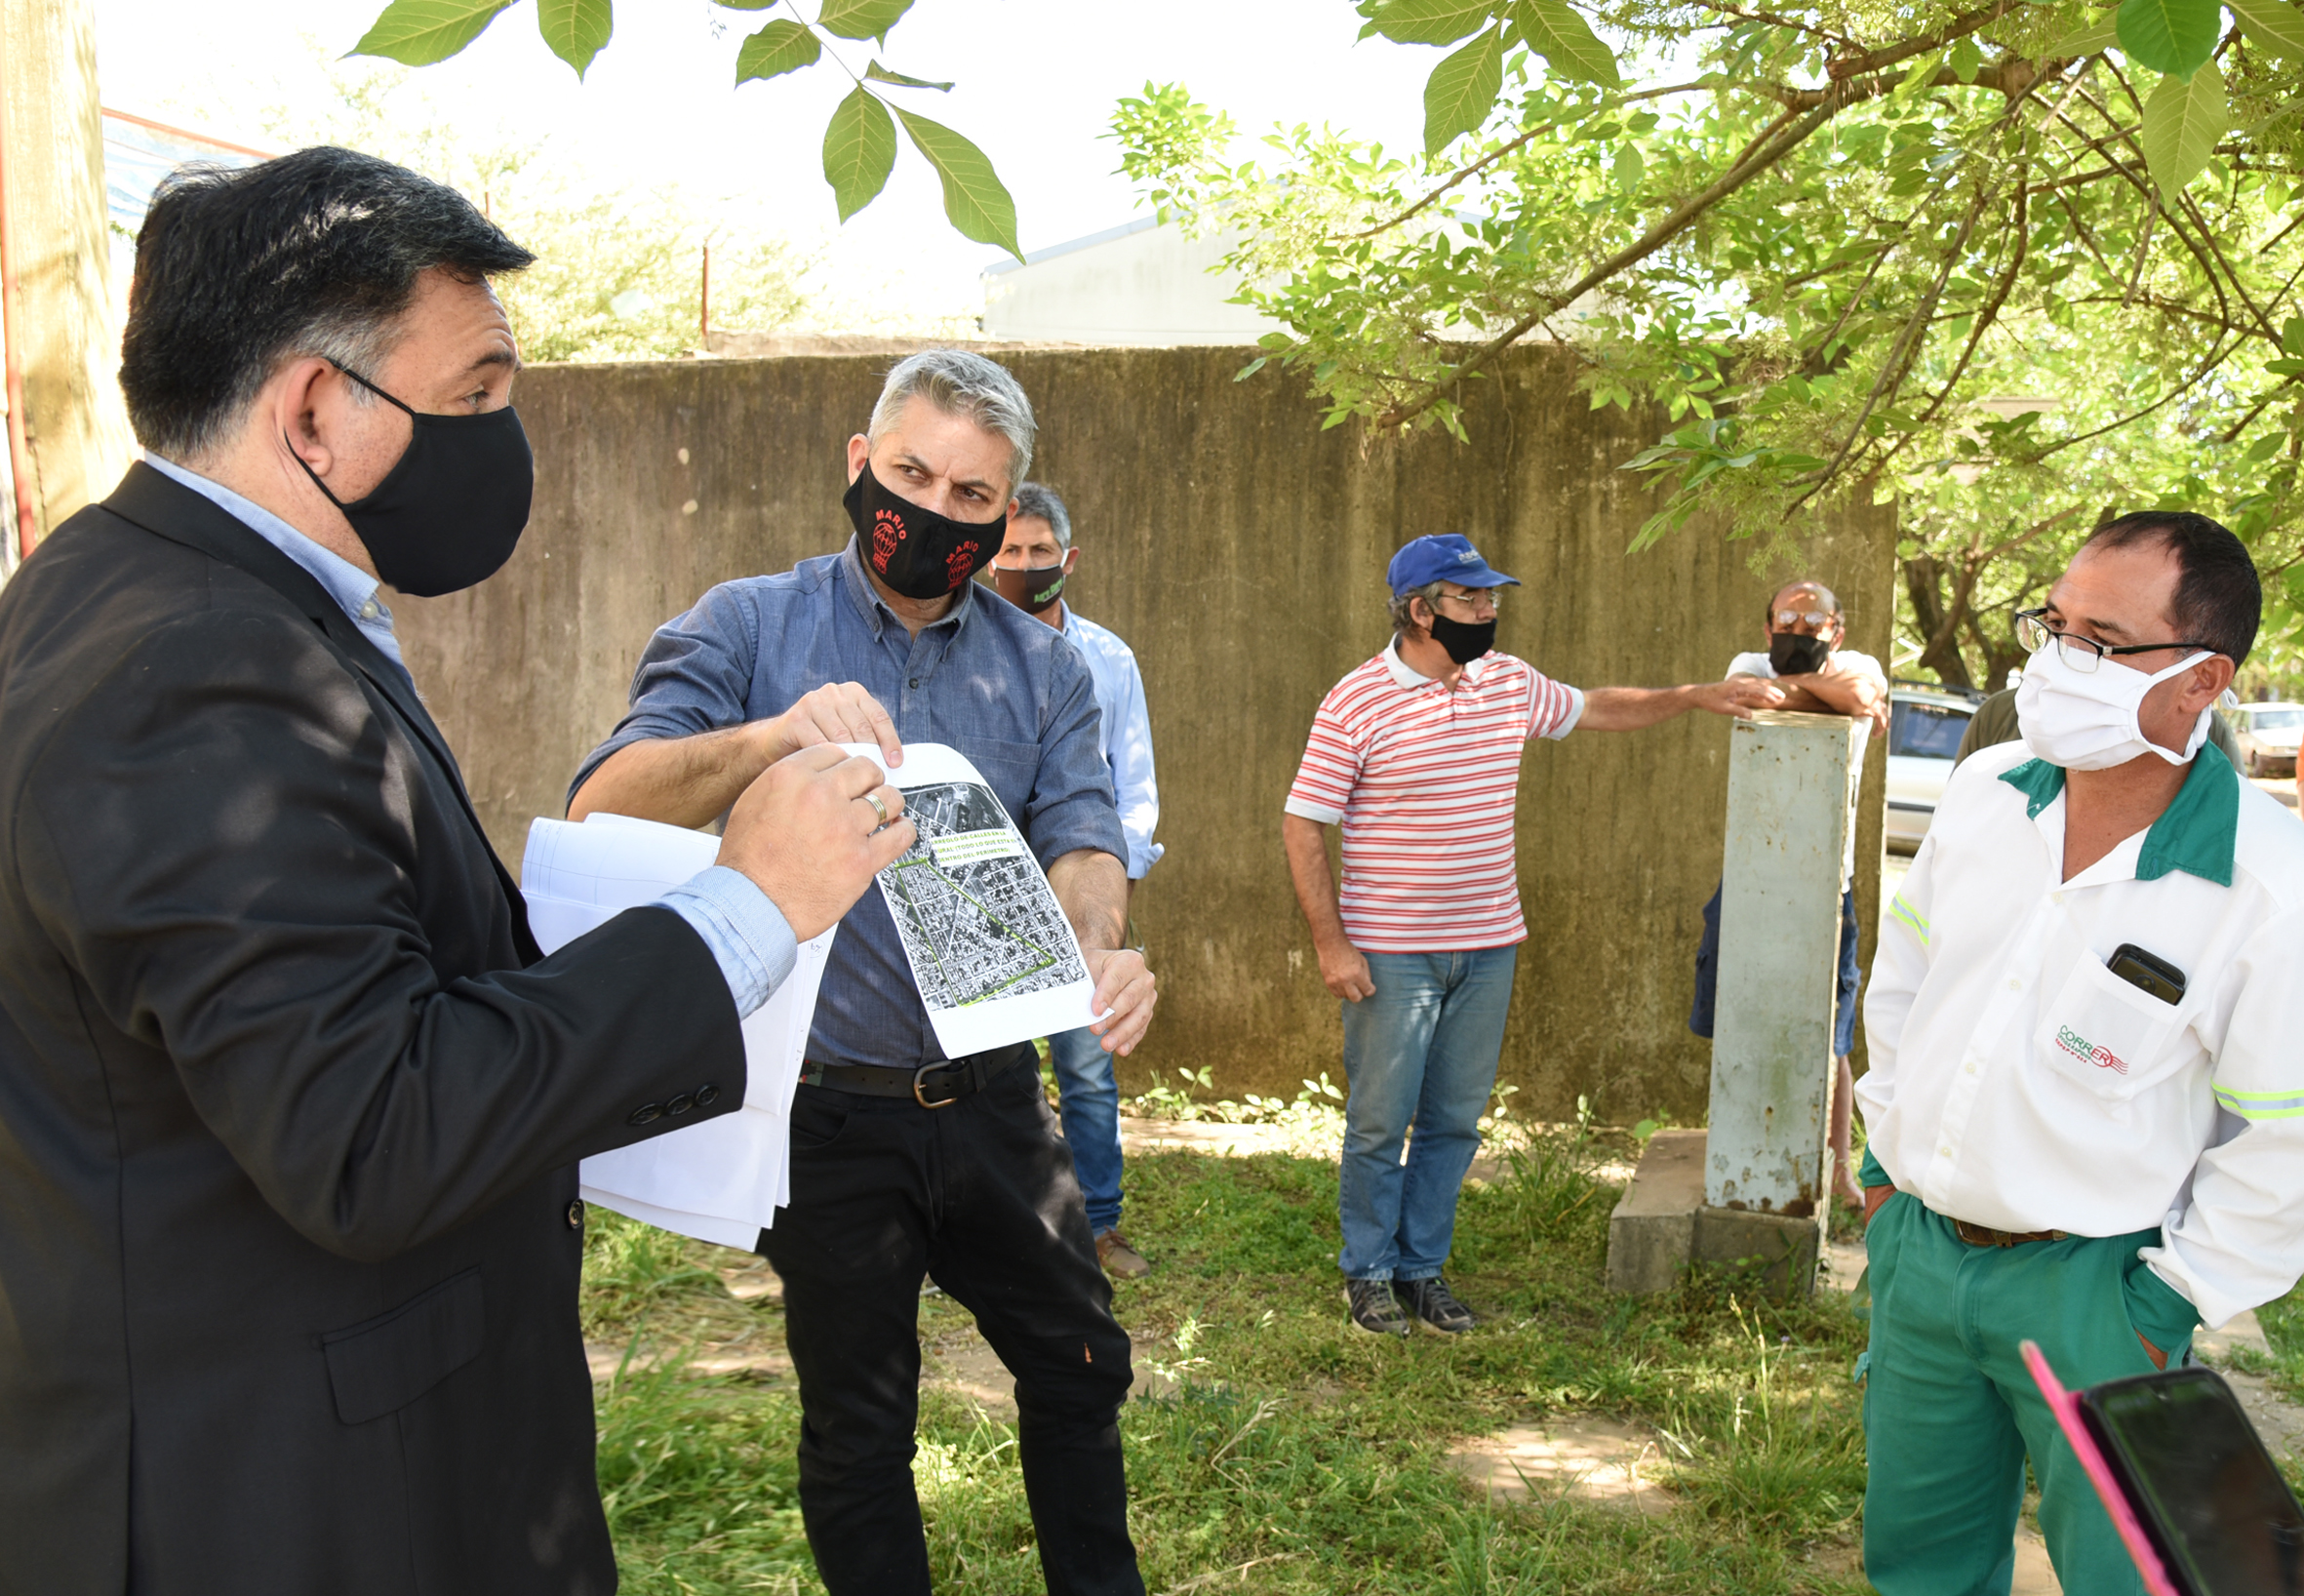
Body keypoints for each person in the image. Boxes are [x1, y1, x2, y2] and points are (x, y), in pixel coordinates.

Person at [0, 148, 912, 1596]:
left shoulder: (130, 590)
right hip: (291, 1500)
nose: (505, 435)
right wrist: (746, 905)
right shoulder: (199, 668)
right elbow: (367, 1135)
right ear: (314, 408)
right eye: (479, 393)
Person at [567, 350, 1157, 1596]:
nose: (934, 511)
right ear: (859, 463)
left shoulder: (1047, 667)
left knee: (1079, 1366)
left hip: (994, 1100)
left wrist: (1093, 944)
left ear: (1005, 516)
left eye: (971, 496)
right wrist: (773, 738)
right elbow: (606, 796)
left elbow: (1085, 837)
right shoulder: (744, 624)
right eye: (910, 474)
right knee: (860, 1426)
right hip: (821, 1114)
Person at [1858, 512, 2304, 1594]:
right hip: (1919, 1259)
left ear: (2201, 681)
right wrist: (1880, 1178)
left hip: (2100, 1291)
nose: (2054, 664)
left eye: (2101, 643)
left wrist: (2174, 1298)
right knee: (1917, 1566)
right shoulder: (1985, 791)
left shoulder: (2264, 878)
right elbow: (1903, 990)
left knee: (2131, 1577)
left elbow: (2283, 1132)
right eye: (2052, 626)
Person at [1283, 534, 1784, 1337]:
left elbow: (1595, 707)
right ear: (1419, 611)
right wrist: (1332, 944)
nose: (1489, 612)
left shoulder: (1506, 682)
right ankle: (1368, 1274)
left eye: (1491, 599)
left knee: (1453, 1119)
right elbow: (1305, 823)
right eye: (1470, 599)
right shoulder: (1355, 700)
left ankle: (1420, 1270)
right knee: (1380, 1120)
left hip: (1488, 946)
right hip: (1391, 954)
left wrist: (1695, 694)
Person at [985, 480, 1164, 1279]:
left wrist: (1104, 890)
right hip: (984, 906)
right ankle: (979, 1227)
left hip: (1078, 906)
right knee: (981, 1075)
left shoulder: (1108, 660)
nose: (1026, 565)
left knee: (1087, 1071)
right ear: (989, 560)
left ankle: (1099, 1226)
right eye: (1011, 552)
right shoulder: (959, 653)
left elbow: (1135, 790)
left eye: (1040, 553)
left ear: (1069, 560)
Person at [1690, 579, 1888, 1209]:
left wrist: (1811, 694)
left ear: (1839, 630)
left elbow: (1859, 693)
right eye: (1786, 621)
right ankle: (1742, 1145)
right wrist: (1833, 701)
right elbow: (1756, 698)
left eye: (1813, 624)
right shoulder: (1746, 665)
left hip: (1832, 882)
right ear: (1766, 624)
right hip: (1754, 875)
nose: (1797, 633)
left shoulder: (1861, 666)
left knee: (1830, 1032)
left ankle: (1836, 1170)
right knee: (1739, 1011)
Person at [1956, 676, 2242, 768]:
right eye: (2055, 622)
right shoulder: (2001, 715)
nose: (2065, 643)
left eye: (2101, 633)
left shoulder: (2203, 729)